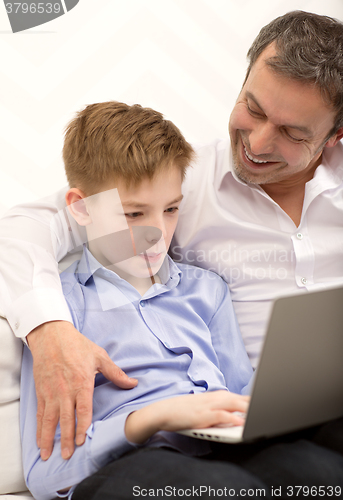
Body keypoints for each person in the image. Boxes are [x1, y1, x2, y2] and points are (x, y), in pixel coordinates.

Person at [0, 9, 343, 465]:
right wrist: (49, 328)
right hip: (239, 427)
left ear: (334, 136)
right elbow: (27, 226)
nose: (258, 143)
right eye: (253, 109)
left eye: (292, 133)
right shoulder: (179, 184)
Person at [20, 101, 256, 499]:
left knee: (314, 467)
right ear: (81, 207)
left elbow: (243, 399)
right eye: (133, 214)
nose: (157, 234)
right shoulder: (57, 311)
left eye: (170, 209)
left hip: (218, 450)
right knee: (219, 487)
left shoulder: (206, 291)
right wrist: (153, 417)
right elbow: (45, 475)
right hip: (134, 462)